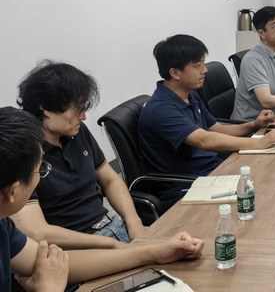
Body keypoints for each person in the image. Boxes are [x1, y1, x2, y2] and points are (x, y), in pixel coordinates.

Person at [0, 107, 203, 292]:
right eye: (41, 170)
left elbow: (60, 263)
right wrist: (49, 289)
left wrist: (155, 253)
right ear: (12, 192)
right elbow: (51, 270)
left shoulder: (4, 226)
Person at [138, 34, 275, 208]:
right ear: (175, 73)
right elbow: (204, 140)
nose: (205, 70)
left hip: (213, 170)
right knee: (264, 196)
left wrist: (253, 125)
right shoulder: (161, 109)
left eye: (203, 63)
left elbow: (217, 129)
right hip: (186, 186)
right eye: (197, 65)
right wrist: (260, 143)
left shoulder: (190, 96)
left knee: (273, 176)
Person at [12, 62, 143, 250]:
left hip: (112, 228)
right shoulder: (23, 152)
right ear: (45, 108)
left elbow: (110, 180)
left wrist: (133, 222)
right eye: (77, 110)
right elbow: (37, 232)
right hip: (75, 247)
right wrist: (109, 243)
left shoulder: (76, 131)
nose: (83, 117)